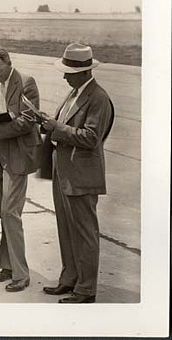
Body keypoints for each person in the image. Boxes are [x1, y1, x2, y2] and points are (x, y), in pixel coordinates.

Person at [39, 43, 114, 304]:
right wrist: (48, 124)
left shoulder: (98, 98)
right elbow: (68, 126)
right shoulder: (75, 93)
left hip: (82, 176)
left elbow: (92, 137)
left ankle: (86, 290)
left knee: (84, 233)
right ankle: (69, 278)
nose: (64, 76)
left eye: (68, 71)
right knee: (66, 229)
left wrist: (56, 127)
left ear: (84, 72)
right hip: (66, 172)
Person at [0, 46, 41, 292]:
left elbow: (28, 120)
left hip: (17, 155)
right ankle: (7, 267)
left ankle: (21, 274)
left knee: (11, 212)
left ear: (8, 62)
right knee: (1, 212)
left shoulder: (26, 82)